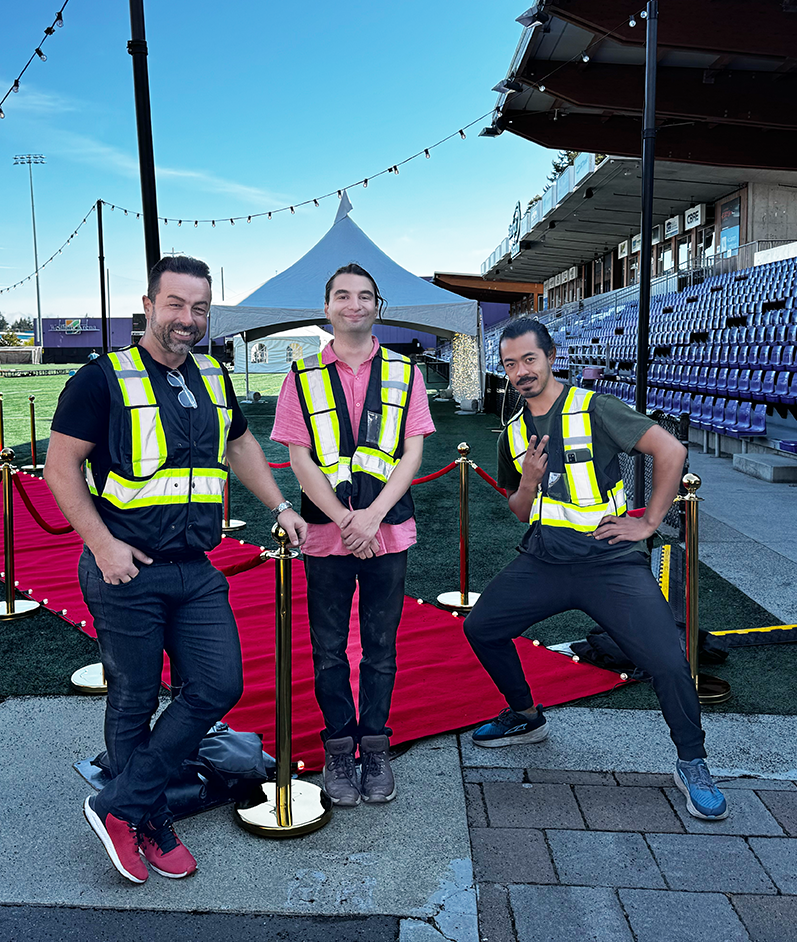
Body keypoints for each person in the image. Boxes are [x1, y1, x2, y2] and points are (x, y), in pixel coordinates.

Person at [46, 255, 306, 884]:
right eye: (176, 305)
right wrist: (103, 546)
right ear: (149, 304)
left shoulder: (213, 376)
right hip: (126, 570)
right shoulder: (100, 377)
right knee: (134, 698)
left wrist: (278, 503)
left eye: (200, 308)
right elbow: (61, 469)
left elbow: (240, 443)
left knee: (217, 687)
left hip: (196, 567)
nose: (188, 320)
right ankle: (149, 818)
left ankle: (121, 805)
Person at [462, 318, 727, 821]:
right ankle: (525, 716)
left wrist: (648, 522)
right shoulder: (513, 432)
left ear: (551, 355)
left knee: (669, 662)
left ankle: (693, 763)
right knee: (481, 628)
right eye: (510, 364)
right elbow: (519, 510)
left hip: (609, 564)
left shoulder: (592, 406)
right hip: (544, 560)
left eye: (529, 359)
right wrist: (530, 482)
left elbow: (671, 450)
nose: (520, 372)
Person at [271, 263, 434, 807]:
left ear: (378, 306)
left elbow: (412, 452)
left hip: (387, 528)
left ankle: (376, 744)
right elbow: (298, 457)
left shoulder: (407, 372)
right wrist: (346, 521)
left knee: (382, 646)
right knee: (328, 647)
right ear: (327, 307)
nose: (354, 305)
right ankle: (340, 747)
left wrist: (371, 518)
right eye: (343, 295)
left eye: (365, 296)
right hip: (326, 533)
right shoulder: (301, 374)